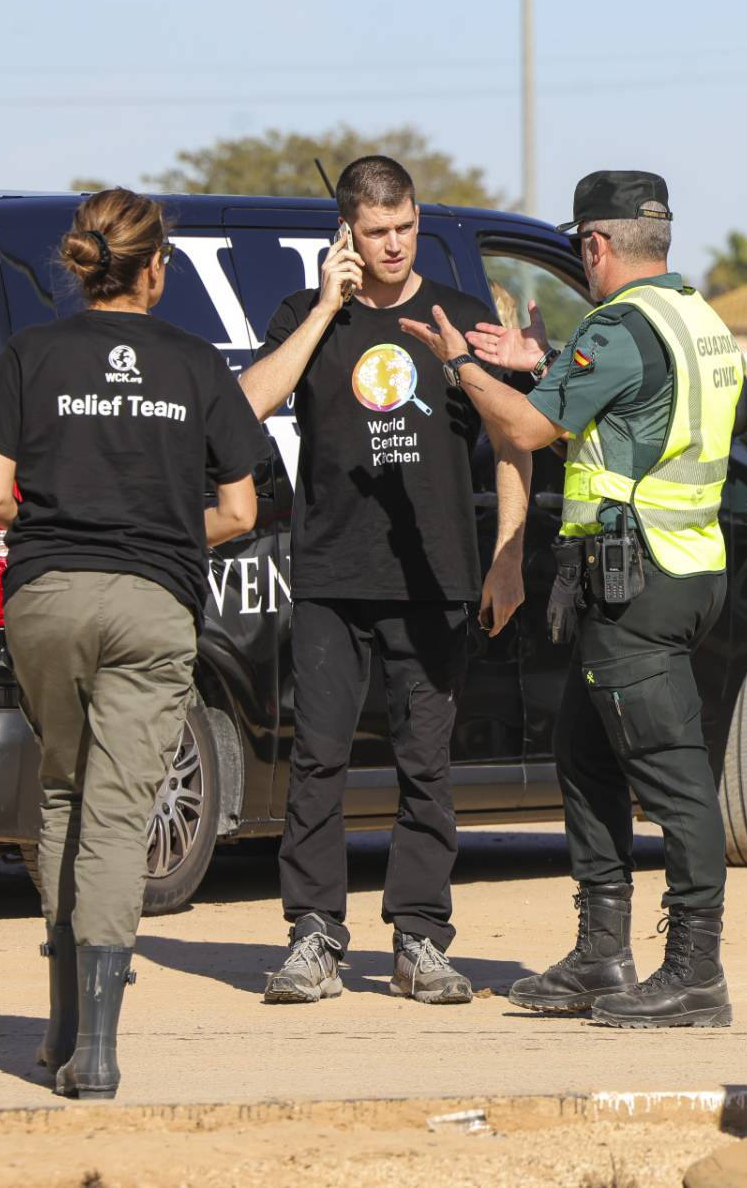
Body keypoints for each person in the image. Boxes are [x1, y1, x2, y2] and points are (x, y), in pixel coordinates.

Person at [401, 170, 747, 1029]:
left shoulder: (620, 327)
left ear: (594, 247)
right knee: (586, 756)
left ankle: (696, 972)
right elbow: (647, 410)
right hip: (683, 565)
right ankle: (602, 953)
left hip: (643, 584)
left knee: (672, 777)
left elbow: (523, 431)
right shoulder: (696, 319)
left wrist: (462, 365)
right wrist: (549, 363)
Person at [0, 188, 267, 1096]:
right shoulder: (195, 363)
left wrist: (65, 514)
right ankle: (97, 1048)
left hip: (47, 597)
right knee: (121, 813)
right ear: (157, 268)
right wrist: (162, 525)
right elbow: (240, 512)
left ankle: (59, 1030)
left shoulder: (31, 354)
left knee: (62, 789)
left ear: (83, 264)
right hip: (152, 603)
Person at [240, 156, 530, 1005]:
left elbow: (514, 440)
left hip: (437, 576)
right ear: (346, 234)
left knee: (426, 765)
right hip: (332, 574)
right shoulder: (307, 315)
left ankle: (418, 940)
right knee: (319, 762)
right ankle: (315, 936)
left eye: (404, 227)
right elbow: (249, 402)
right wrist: (327, 305)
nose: (394, 244)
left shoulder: (463, 317)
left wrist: (508, 552)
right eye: (375, 233)